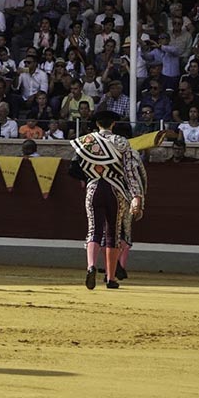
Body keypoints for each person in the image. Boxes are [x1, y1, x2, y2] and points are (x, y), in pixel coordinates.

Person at [69, 110, 144, 290]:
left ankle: (91, 266)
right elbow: (130, 172)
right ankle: (111, 278)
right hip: (116, 190)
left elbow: (72, 168)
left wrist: (89, 176)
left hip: (93, 188)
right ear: (113, 125)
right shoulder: (121, 142)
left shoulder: (86, 141)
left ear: (97, 124)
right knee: (113, 233)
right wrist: (136, 196)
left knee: (93, 229)